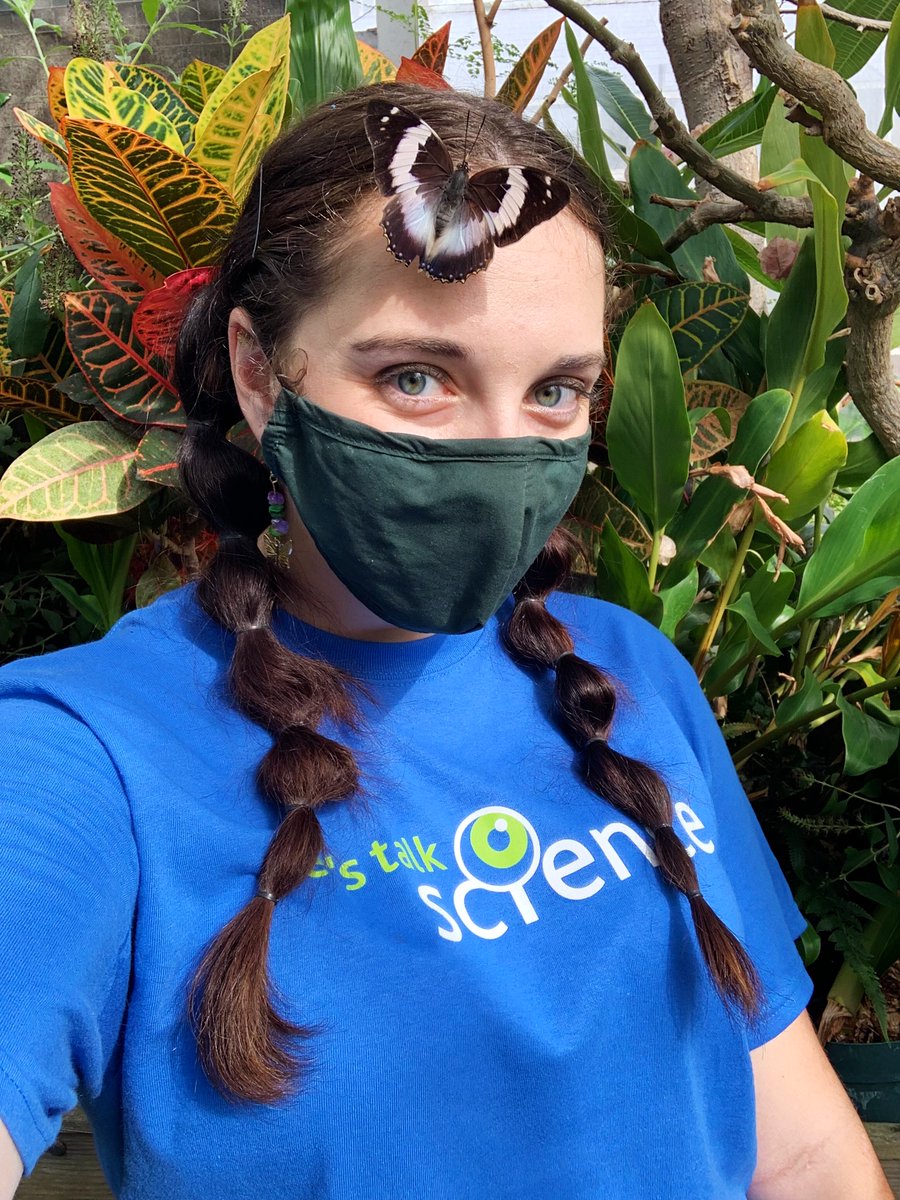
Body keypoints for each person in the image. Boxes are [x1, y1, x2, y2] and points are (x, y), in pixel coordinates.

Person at [0, 80, 891, 1200]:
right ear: (262, 375)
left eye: (557, 390)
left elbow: (801, 1152)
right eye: (415, 377)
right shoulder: (81, 754)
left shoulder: (629, 677)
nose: (498, 455)